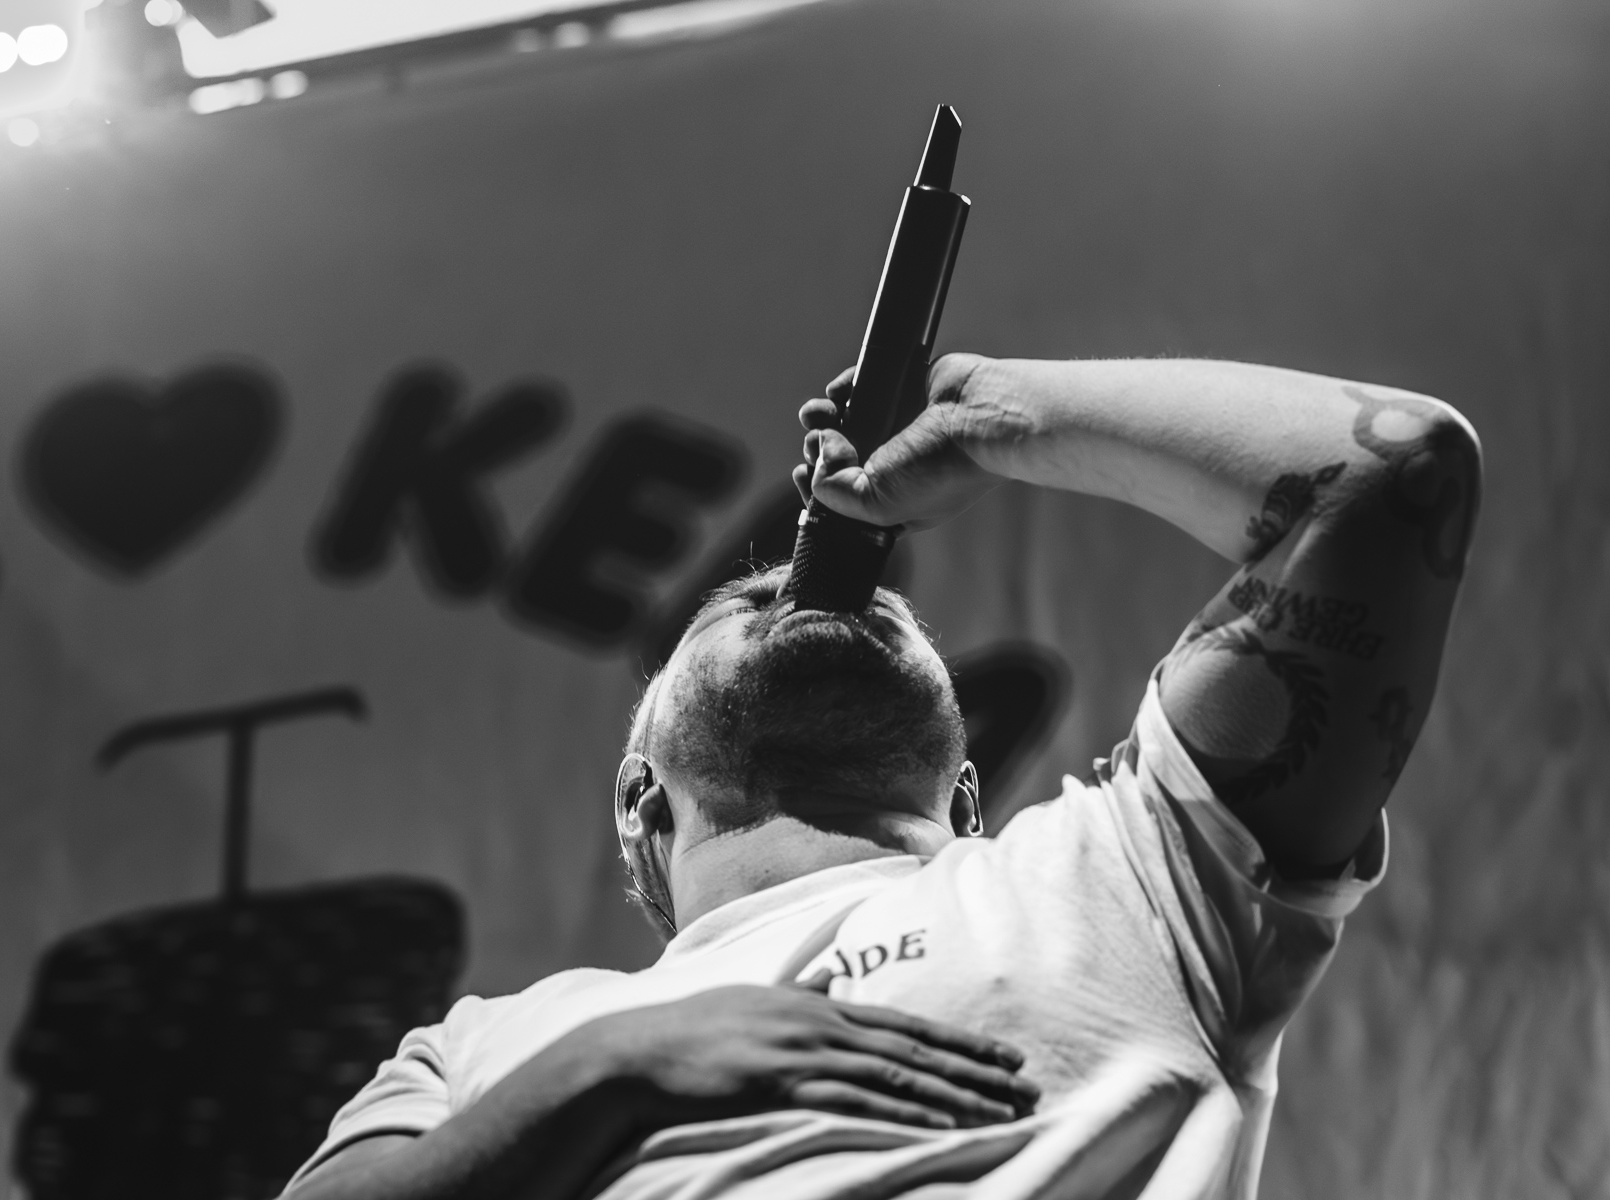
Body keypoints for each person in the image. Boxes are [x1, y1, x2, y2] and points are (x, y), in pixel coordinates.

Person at [283, 353, 1481, 1200]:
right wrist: (610, 1070)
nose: (772, 586)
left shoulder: (1124, 873)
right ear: (642, 803)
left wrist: (1009, 416)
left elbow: (1393, 476)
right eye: (727, 604)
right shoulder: (488, 1045)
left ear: (968, 802)